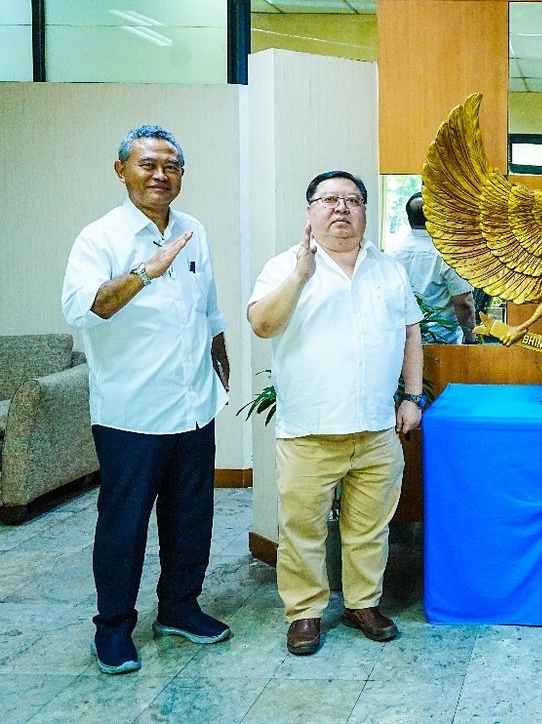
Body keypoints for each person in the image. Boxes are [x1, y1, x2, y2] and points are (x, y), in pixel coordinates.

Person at [62, 125, 232, 675]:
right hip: (131, 413)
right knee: (124, 524)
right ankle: (113, 627)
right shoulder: (100, 238)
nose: (160, 175)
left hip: (193, 405)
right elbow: (86, 308)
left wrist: (220, 363)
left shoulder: (194, 230)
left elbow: (207, 307)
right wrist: (144, 272)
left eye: (172, 166)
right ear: (121, 171)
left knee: (190, 517)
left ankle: (179, 607)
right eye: (147, 165)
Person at [248, 170, 424, 657]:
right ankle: (304, 613)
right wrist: (301, 277)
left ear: (366, 211)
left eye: (352, 200)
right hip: (309, 431)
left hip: (376, 429)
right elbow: (262, 324)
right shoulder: (284, 266)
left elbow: (411, 333)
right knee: (301, 530)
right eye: (329, 199)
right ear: (310, 211)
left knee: (369, 527)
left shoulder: (389, 269)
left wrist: (412, 397)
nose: (341, 209)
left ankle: (362, 604)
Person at [394, 193, 478, 344]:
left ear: (409, 218)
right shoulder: (448, 254)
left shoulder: (394, 255)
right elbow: (464, 303)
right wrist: (471, 339)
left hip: (404, 344)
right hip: (444, 345)